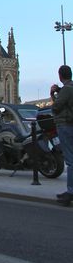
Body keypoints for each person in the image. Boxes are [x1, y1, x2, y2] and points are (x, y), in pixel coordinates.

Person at [50, 64, 73, 206]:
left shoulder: (67, 89)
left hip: (66, 125)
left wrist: (53, 94)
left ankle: (70, 192)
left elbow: (56, 107)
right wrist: (60, 90)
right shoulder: (70, 87)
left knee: (70, 160)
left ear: (60, 75)